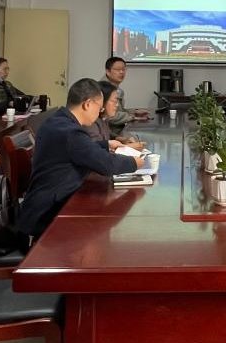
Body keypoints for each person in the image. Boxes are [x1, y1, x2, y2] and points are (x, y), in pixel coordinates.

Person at [18, 79, 143, 239]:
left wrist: (105, 144)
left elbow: (74, 150)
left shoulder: (58, 121)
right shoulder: (71, 132)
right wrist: (135, 162)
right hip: (48, 212)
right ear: (87, 104)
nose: (100, 112)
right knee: (101, 226)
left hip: (43, 203)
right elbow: (106, 164)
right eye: (99, 107)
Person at [85, 80, 144, 151]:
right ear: (102, 101)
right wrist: (127, 147)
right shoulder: (91, 123)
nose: (117, 105)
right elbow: (98, 151)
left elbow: (108, 134)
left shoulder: (104, 118)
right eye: (114, 101)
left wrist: (121, 139)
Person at [102, 56, 146, 136]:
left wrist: (134, 112)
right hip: (108, 134)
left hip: (115, 133)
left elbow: (119, 111)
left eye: (123, 69)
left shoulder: (118, 89)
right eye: (117, 70)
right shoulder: (104, 89)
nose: (121, 72)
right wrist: (132, 117)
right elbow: (109, 115)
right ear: (108, 71)